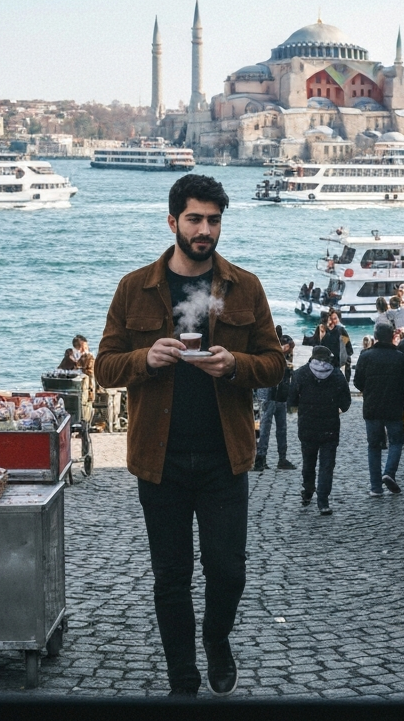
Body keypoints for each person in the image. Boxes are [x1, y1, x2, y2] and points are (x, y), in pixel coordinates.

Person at [95, 175, 284, 698]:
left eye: (214, 220)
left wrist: (234, 365)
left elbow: (273, 365)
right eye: (195, 219)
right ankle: (183, 675)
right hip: (161, 461)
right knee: (171, 577)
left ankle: (217, 639)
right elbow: (103, 367)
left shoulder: (244, 286)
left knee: (228, 570)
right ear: (172, 220)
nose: (205, 230)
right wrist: (145, 359)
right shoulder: (136, 287)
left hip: (226, 457)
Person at [287, 345, 352, 515]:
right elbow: (346, 403)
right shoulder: (337, 375)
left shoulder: (301, 373)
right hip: (330, 427)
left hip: (307, 426)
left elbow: (291, 400)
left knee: (308, 462)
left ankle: (308, 492)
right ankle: (323, 501)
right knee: (326, 465)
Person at [353, 322, 404, 496]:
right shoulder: (400, 357)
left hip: (372, 407)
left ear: (376, 337)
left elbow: (357, 381)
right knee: (396, 442)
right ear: (392, 337)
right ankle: (389, 472)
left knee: (374, 446)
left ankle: (375, 487)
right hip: (394, 407)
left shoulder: (365, 356)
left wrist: (367, 391)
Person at [254, 330, 296, 472]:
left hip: (280, 395)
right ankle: (260, 458)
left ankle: (280, 458)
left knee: (280, 428)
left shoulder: (285, 355)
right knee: (265, 427)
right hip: (268, 394)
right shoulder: (270, 352)